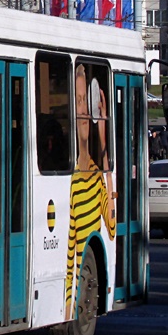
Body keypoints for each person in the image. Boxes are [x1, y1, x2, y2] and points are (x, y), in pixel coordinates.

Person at [65, 65, 116, 319]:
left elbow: (113, 224)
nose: (83, 111)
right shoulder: (72, 183)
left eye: (86, 103)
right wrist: (67, 309)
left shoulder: (96, 177)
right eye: (78, 102)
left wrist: (104, 138)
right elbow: (70, 259)